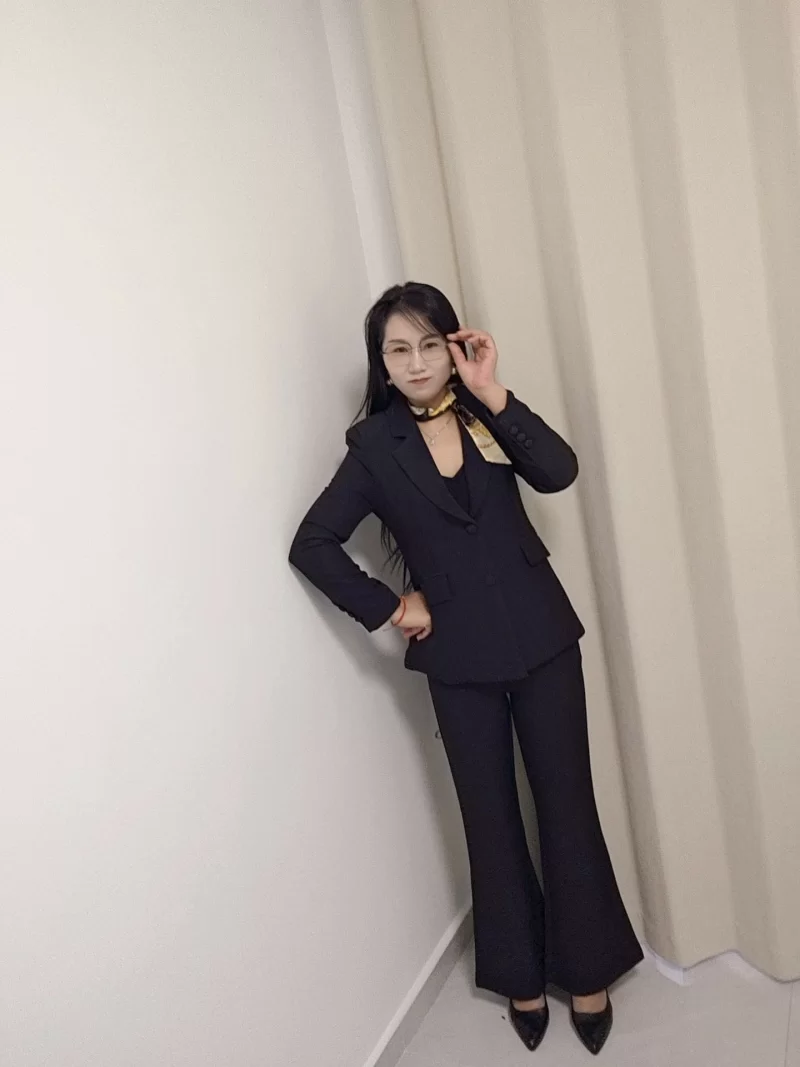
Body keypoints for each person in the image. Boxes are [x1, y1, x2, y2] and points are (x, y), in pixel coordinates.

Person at [289, 282, 642, 1054]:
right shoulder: (374, 446)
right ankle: (520, 975)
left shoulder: (488, 411)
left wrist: (493, 390)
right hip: (457, 657)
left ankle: (588, 969)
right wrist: (391, 606)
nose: (415, 362)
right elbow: (311, 543)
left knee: (568, 804)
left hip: (545, 639)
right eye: (398, 349)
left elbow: (559, 470)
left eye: (428, 344)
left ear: (455, 347)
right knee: (489, 816)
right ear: (382, 362)